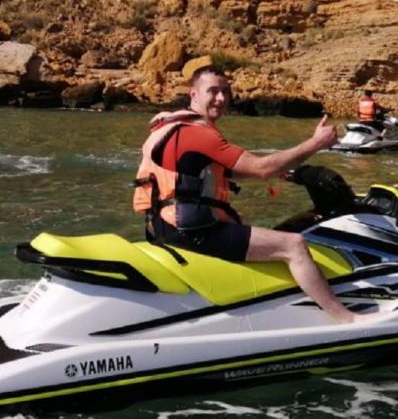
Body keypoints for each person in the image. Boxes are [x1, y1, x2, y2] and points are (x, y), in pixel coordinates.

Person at [134, 66, 365, 323]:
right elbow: (261, 168)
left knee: (244, 223)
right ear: (193, 94)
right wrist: (316, 144)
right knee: (294, 245)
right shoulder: (198, 134)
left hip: (164, 226)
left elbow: (224, 172)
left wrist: (280, 170)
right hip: (191, 230)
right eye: (213, 91)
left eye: (225, 92)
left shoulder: (175, 129)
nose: (221, 99)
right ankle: (347, 318)